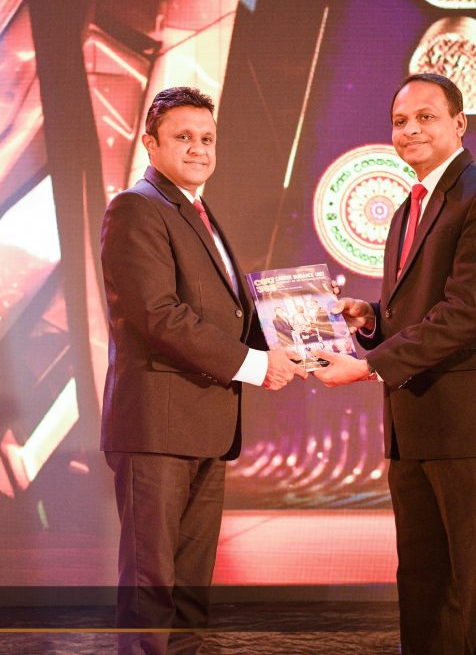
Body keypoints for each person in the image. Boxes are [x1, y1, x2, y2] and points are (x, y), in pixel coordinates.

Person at [100, 86, 305, 654]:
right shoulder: (136, 207)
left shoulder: (197, 211)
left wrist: (305, 332)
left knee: (190, 593)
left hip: (205, 427)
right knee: (151, 588)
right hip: (157, 430)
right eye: (183, 137)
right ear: (150, 143)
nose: (198, 148)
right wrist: (254, 364)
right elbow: (158, 315)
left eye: (207, 138)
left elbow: (230, 315)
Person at [314, 73, 476, 654]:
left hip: (464, 428)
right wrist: (371, 318)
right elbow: (422, 309)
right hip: (412, 427)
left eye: (426, 117)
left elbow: (465, 312)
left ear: (459, 123)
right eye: (400, 121)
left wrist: (367, 366)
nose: (410, 130)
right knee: (424, 584)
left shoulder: (473, 194)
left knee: (470, 586)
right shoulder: (409, 207)